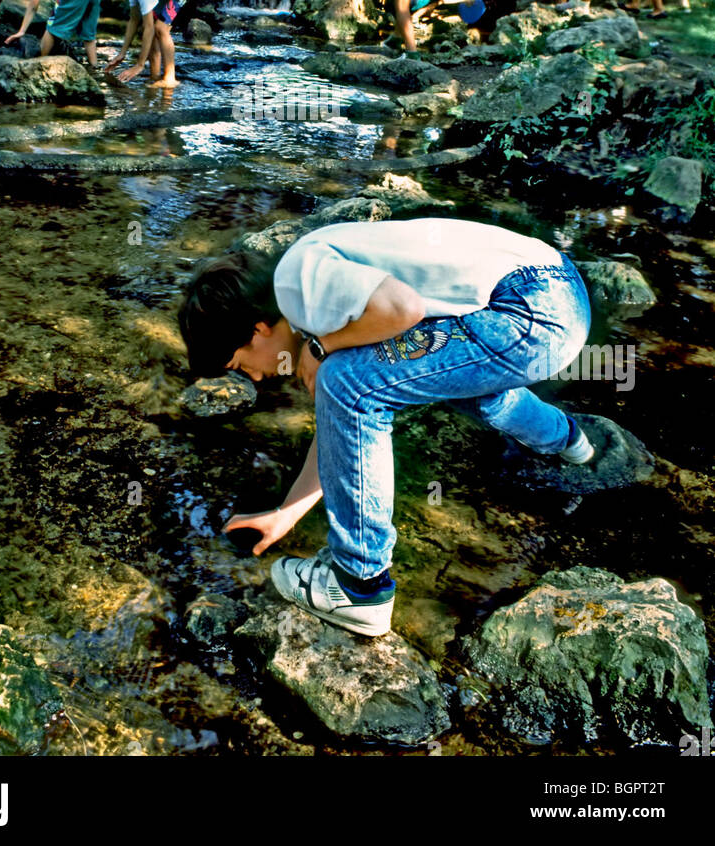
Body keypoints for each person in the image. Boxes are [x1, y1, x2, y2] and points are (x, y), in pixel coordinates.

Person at [178, 219, 595, 636]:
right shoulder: (317, 298)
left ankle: (360, 587)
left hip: (533, 308)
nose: (251, 378)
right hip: (555, 294)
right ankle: (568, 439)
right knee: (465, 384)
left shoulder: (296, 280)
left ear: (258, 330)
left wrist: (323, 350)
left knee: (345, 380)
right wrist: (286, 513)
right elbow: (340, 431)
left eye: (238, 365)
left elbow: (403, 310)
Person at [96, 0, 204, 87]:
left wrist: (139, 65)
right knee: (151, 26)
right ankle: (155, 76)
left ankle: (170, 79)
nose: (113, 0)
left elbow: (149, 28)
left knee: (160, 28)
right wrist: (122, 54)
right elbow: (134, 20)